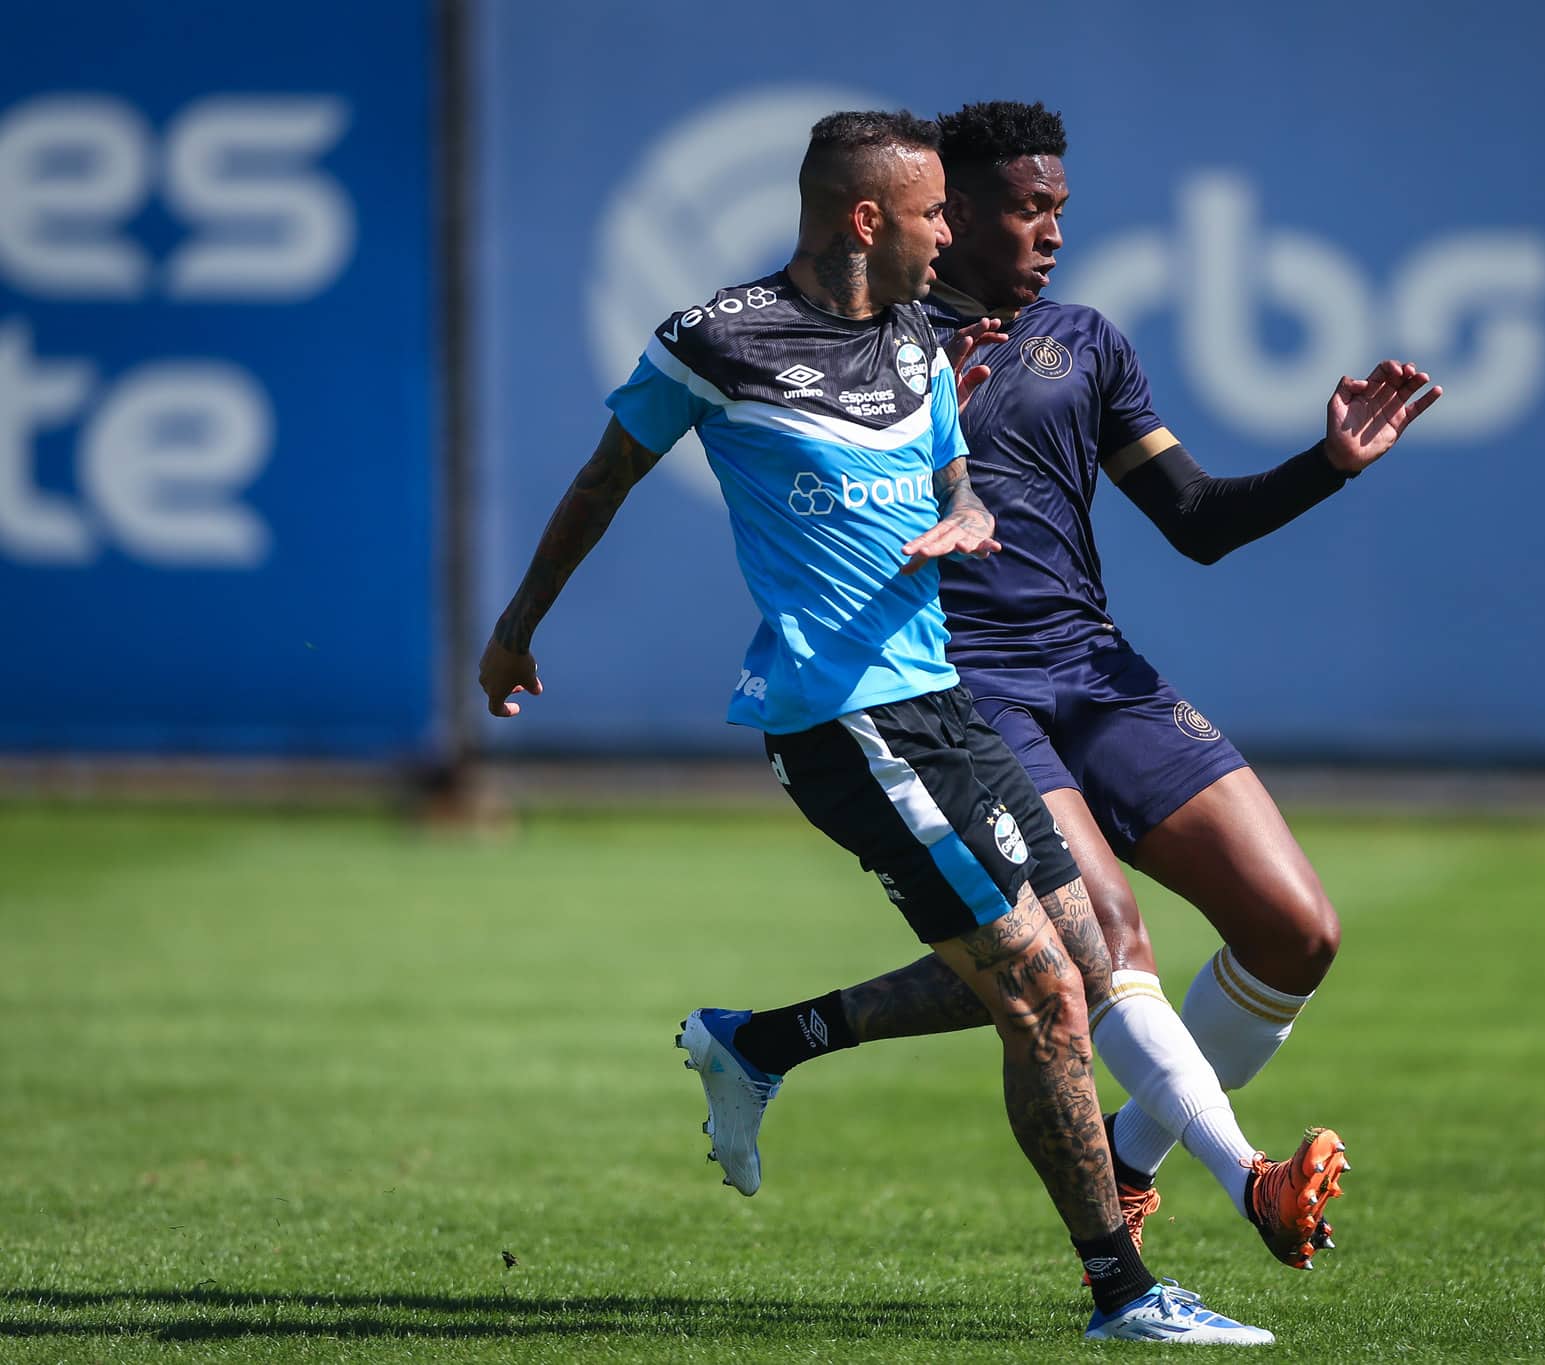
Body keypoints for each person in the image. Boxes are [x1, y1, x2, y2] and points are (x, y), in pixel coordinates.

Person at [476, 109, 1272, 1345]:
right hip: (847, 722)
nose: (951, 233)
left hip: (939, 705)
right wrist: (518, 626)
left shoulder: (913, 341)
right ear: (866, 219)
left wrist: (960, 512)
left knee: (1080, 965)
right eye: (933, 214)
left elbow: (950, 464)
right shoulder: (717, 341)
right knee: (1047, 1001)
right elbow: (600, 481)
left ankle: (759, 1043)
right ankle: (1123, 1291)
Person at [694, 101, 1435, 1269]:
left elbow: (1193, 520)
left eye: (1059, 209)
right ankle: (1248, 1178)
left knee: (1296, 932)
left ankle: (1124, 1155)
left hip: (1093, 669)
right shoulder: (861, 344)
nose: (1050, 230)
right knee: (1102, 945)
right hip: (957, 685)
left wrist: (1326, 467)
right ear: (957, 211)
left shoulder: (1084, 341)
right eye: (1027, 208)